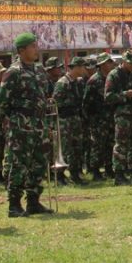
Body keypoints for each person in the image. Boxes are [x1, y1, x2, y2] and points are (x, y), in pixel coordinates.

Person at [0, 32, 53, 217]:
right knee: (19, 164)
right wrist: (13, 121)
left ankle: (33, 202)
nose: (36, 49)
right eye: (32, 46)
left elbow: (45, 95)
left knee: (39, 163)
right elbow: (2, 102)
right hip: (21, 125)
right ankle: (14, 204)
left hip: (39, 124)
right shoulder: (13, 72)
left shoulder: (40, 70)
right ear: (22, 50)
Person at [105, 51, 132, 185]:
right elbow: (108, 96)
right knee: (121, 144)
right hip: (122, 114)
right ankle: (119, 174)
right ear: (124, 61)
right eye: (131, 63)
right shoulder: (114, 75)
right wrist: (124, 95)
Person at [52, 57, 87, 185]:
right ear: (76, 67)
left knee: (77, 147)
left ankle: (75, 174)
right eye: (82, 66)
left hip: (75, 117)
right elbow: (56, 103)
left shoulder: (78, 82)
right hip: (64, 119)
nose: (84, 69)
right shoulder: (62, 83)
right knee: (65, 148)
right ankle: (60, 176)